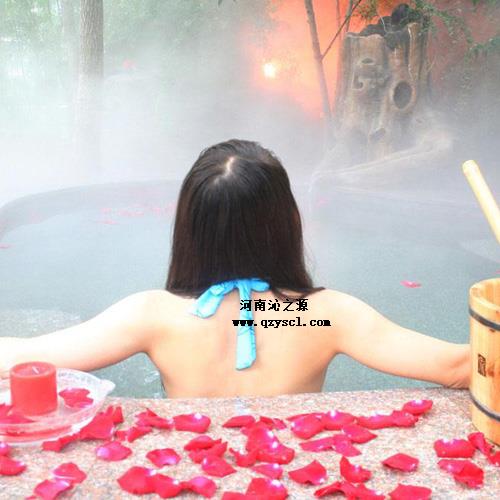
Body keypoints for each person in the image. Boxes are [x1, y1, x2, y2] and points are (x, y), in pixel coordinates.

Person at [0, 140, 470, 398]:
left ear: (189, 227)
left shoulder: (152, 316)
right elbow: (460, 366)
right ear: (289, 222)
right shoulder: (322, 316)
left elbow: (19, 360)